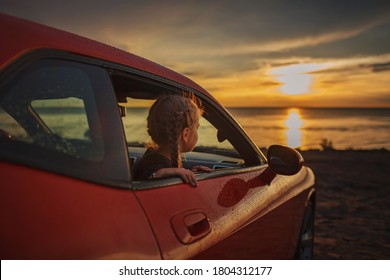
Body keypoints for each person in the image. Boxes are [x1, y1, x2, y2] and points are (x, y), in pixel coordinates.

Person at [133, 94, 212, 186]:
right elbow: (145, 180)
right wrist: (164, 174)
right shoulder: (156, 169)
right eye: (197, 128)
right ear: (185, 134)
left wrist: (190, 174)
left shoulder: (150, 157)